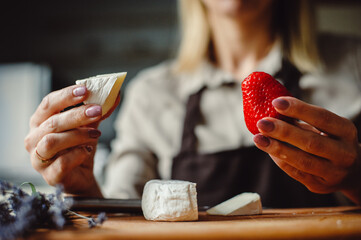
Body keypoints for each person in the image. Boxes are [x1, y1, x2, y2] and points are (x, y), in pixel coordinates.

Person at [25, 0, 361, 208]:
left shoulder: (353, 64)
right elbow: (121, 212)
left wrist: (355, 177)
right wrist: (82, 188)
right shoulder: (150, 94)